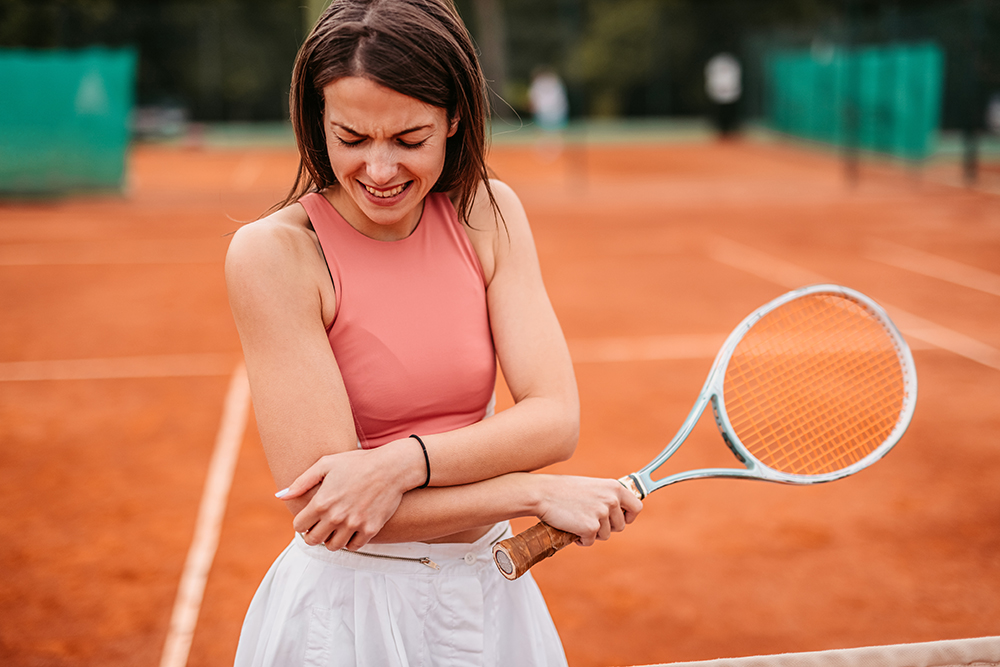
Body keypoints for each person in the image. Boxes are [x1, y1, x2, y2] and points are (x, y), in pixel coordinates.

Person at [224, 1, 643, 664]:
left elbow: (554, 418)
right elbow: (328, 510)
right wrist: (532, 491)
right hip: (349, 614)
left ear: (453, 117)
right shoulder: (272, 254)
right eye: (352, 139)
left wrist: (396, 463)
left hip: (489, 594)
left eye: (409, 139)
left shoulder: (488, 210)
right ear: (316, 122)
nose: (381, 171)